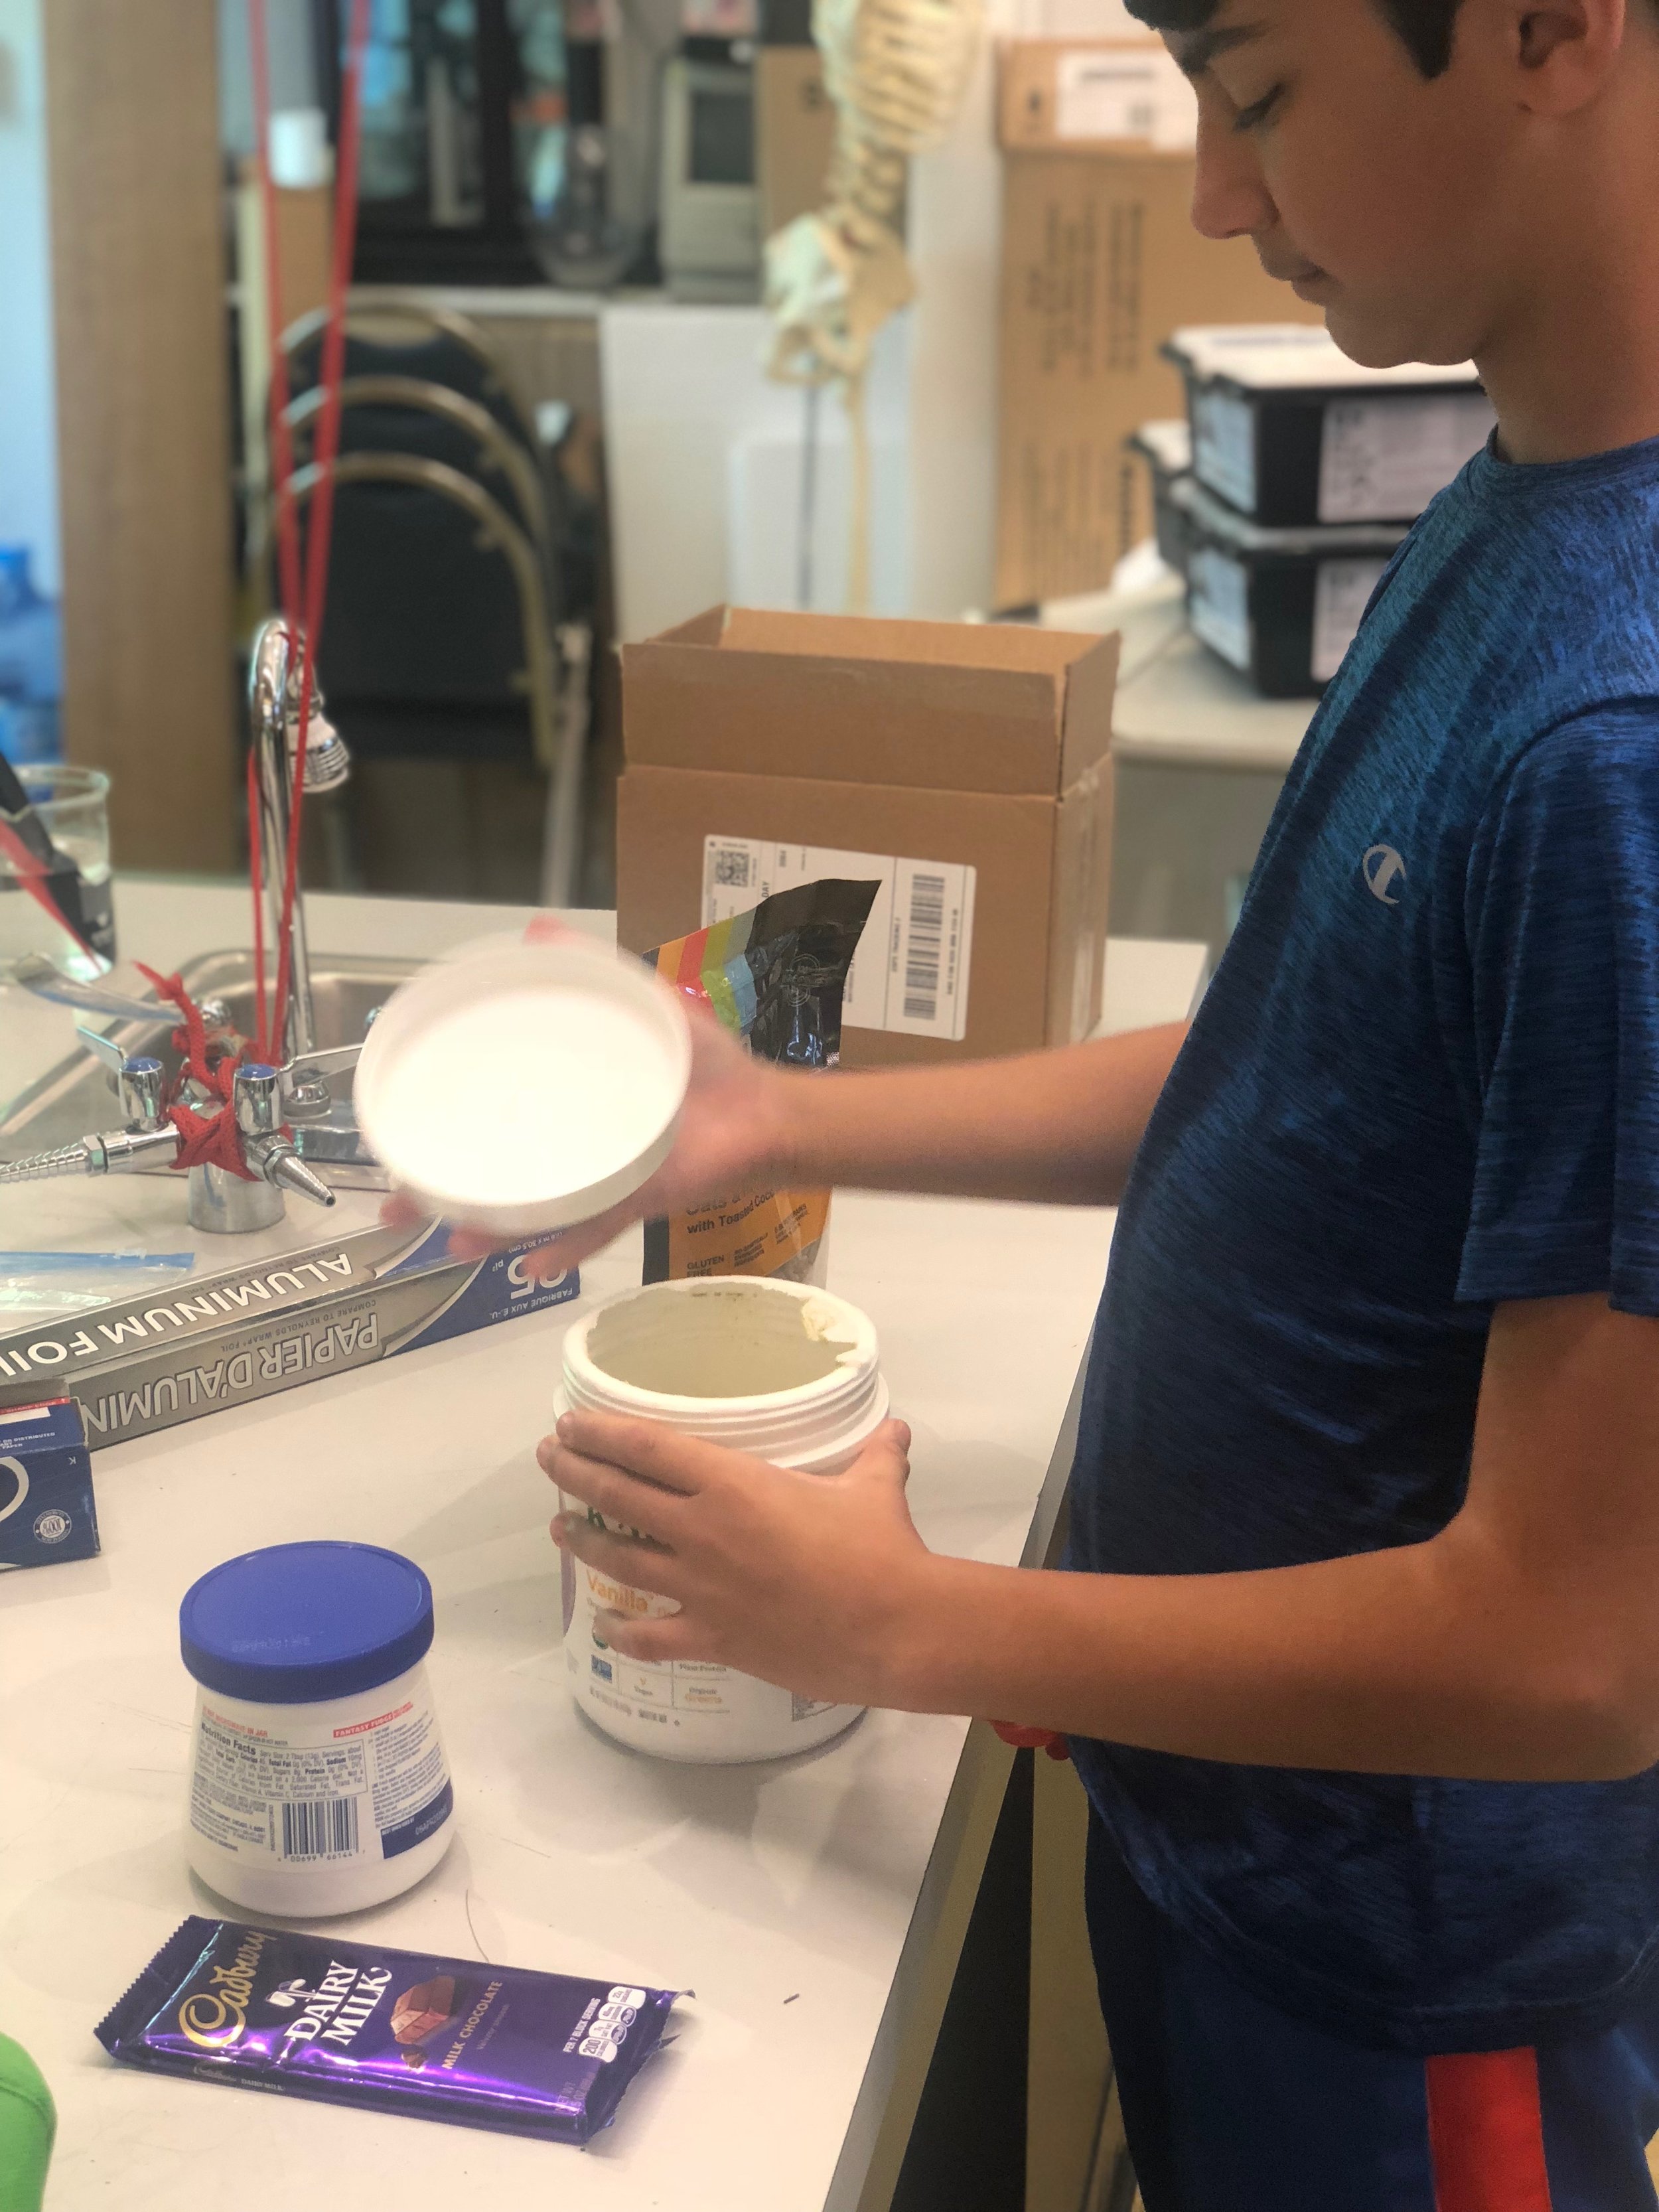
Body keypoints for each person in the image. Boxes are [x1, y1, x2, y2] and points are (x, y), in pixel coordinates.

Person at [457, 1, 1659, 2199]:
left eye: (1258, 92)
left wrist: (906, 1623)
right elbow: (1304, 1074)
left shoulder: (1621, 736)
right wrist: (774, 1119)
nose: (1212, 192)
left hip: (1405, 1980)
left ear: (1547, 29)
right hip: (1225, 1830)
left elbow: (1573, 1649)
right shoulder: (1516, 497)